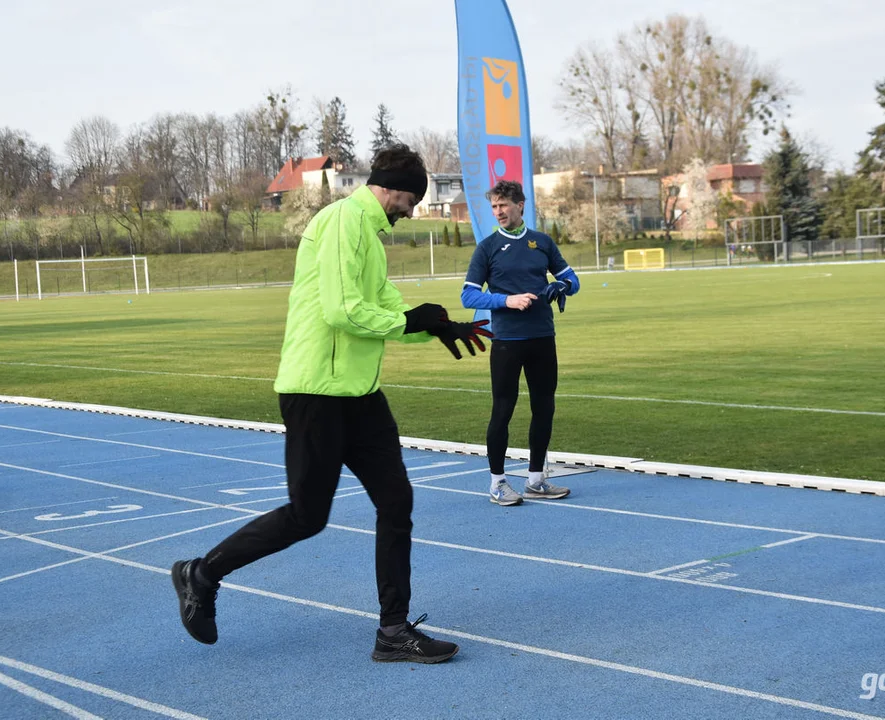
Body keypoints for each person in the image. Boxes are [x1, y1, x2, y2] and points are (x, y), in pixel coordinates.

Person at [171, 144, 491, 664]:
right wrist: (410, 321)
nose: (409, 212)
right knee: (307, 516)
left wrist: (434, 325)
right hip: (316, 391)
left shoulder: (368, 233)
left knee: (396, 503)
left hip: (360, 396)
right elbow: (344, 312)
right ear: (388, 189)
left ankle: (393, 630)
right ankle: (201, 574)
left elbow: (382, 306)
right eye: (409, 200)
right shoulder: (343, 221)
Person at [461, 180, 580, 506]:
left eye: (504, 205)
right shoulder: (486, 248)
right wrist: (506, 300)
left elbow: (573, 279)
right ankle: (498, 483)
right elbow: (468, 294)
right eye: (495, 207)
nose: (498, 212)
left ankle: (535, 480)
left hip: (543, 338)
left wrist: (563, 287)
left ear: (520, 206)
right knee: (503, 411)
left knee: (544, 409)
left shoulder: (541, 242)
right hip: (507, 343)